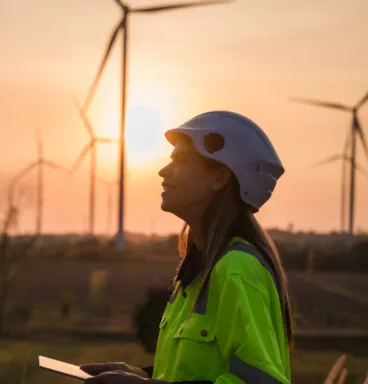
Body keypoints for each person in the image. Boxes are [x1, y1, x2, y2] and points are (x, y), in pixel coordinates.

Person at [80, 111, 294, 384]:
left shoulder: (237, 268)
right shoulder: (196, 274)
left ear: (219, 178)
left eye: (180, 160)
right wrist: (139, 376)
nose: (163, 171)